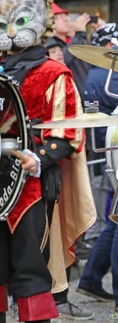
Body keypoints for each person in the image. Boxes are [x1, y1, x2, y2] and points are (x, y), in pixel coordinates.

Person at [0, 0, 95, 323]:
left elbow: (69, 134)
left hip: (33, 189)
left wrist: (38, 157)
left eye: (20, 22)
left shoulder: (55, 73)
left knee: (31, 272)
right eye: (2, 24)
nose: (11, 33)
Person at [77, 27, 118, 311]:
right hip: (111, 147)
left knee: (115, 221)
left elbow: (92, 118)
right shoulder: (107, 76)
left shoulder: (92, 75)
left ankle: (90, 277)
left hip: (105, 148)